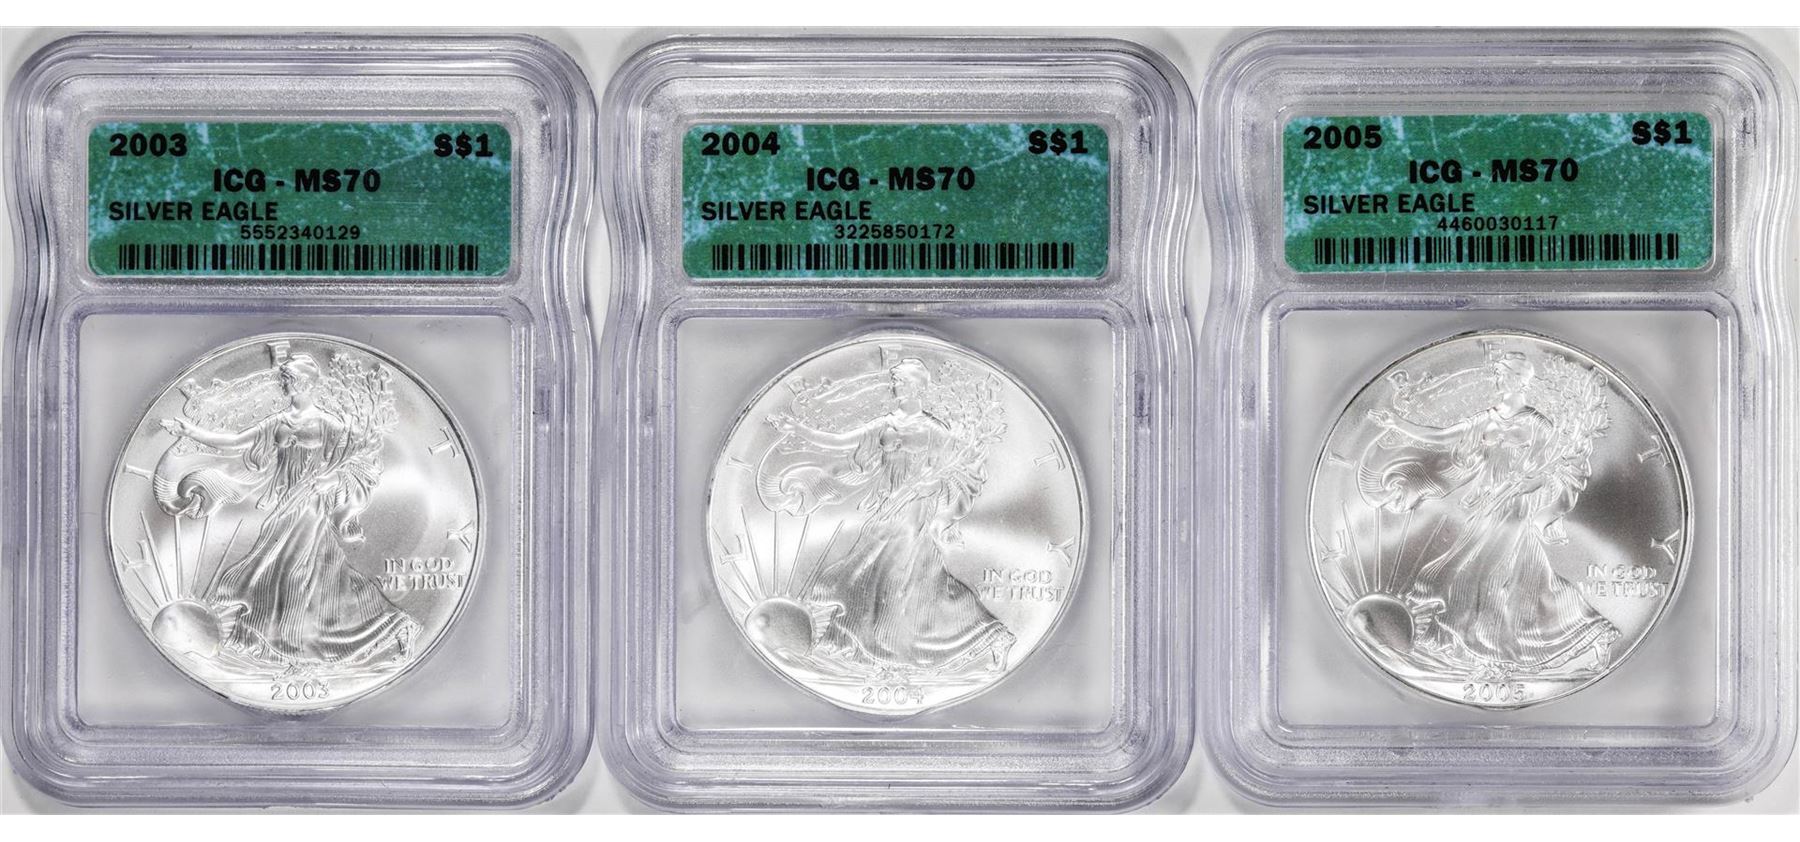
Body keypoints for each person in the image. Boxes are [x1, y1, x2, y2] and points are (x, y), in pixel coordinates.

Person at [1357, 352, 1617, 674]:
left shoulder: (1538, 425)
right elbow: (1442, 437)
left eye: (1504, 374)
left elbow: (1546, 473)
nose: (1498, 379)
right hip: (1484, 507)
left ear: (1520, 380)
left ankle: (1488, 650)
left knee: (1482, 574)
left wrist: (1515, 489)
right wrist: (1399, 424)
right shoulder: (1487, 418)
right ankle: (1583, 633)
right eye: (1498, 373)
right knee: (1522, 579)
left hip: (1513, 508)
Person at [161, 353, 417, 668]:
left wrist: (333, 479)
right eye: (284, 381)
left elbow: (361, 462)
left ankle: (297, 643)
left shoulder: (329, 425)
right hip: (286, 506)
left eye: (289, 380)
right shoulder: (278, 422)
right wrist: (189, 431)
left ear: (306, 383)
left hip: (312, 506)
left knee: (294, 572)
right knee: (282, 572)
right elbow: (235, 442)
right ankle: (379, 628)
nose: (285, 386)